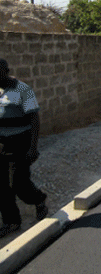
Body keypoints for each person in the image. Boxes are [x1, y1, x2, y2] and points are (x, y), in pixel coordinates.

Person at [0, 58, 48, 238]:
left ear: (6, 70)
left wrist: (33, 148)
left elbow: (34, 118)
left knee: (20, 183)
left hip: (21, 142)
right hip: (3, 144)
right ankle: (11, 221)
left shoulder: (23, 90)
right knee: (2, 185)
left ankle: (39, 199)